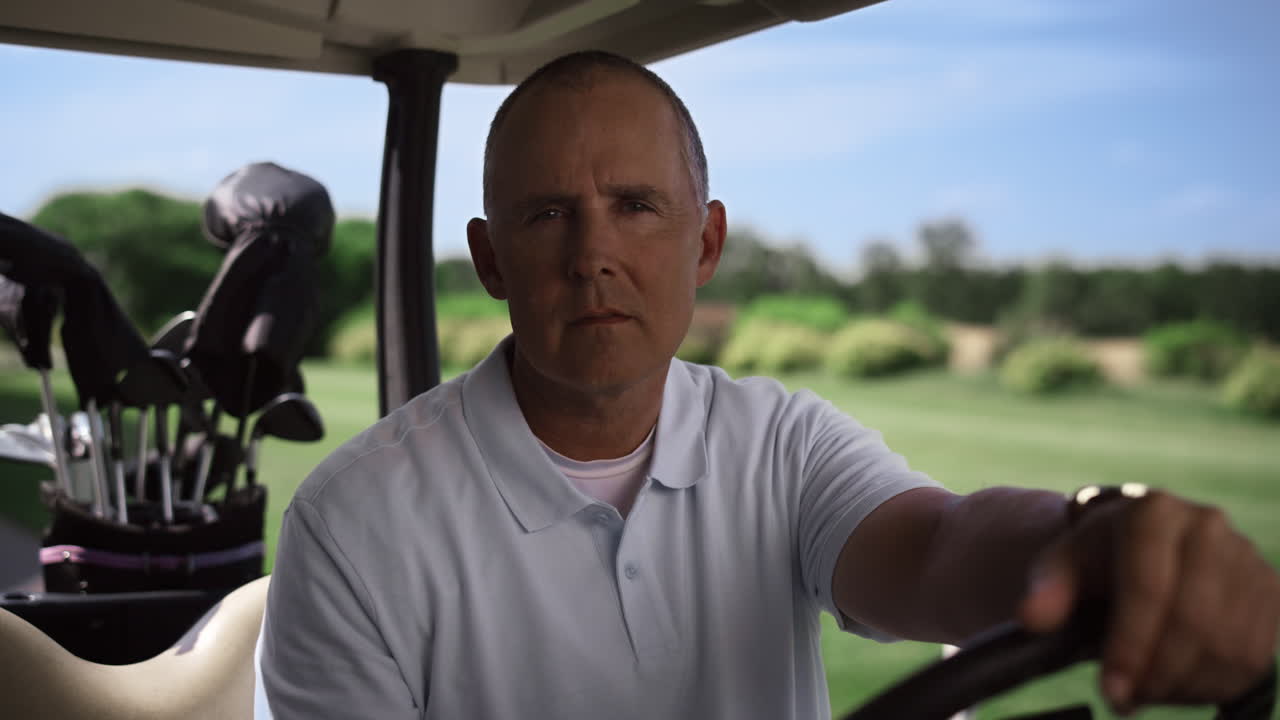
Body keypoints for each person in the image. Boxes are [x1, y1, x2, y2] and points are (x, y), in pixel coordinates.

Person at [259, 51, 1279, 719]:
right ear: (490, 261)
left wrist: (1081, 537)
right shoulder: (352, 525)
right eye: (546, 215)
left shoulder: (781, 444)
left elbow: (936, 545)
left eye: (634, 206)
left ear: (704, 243)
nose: (593, 255)